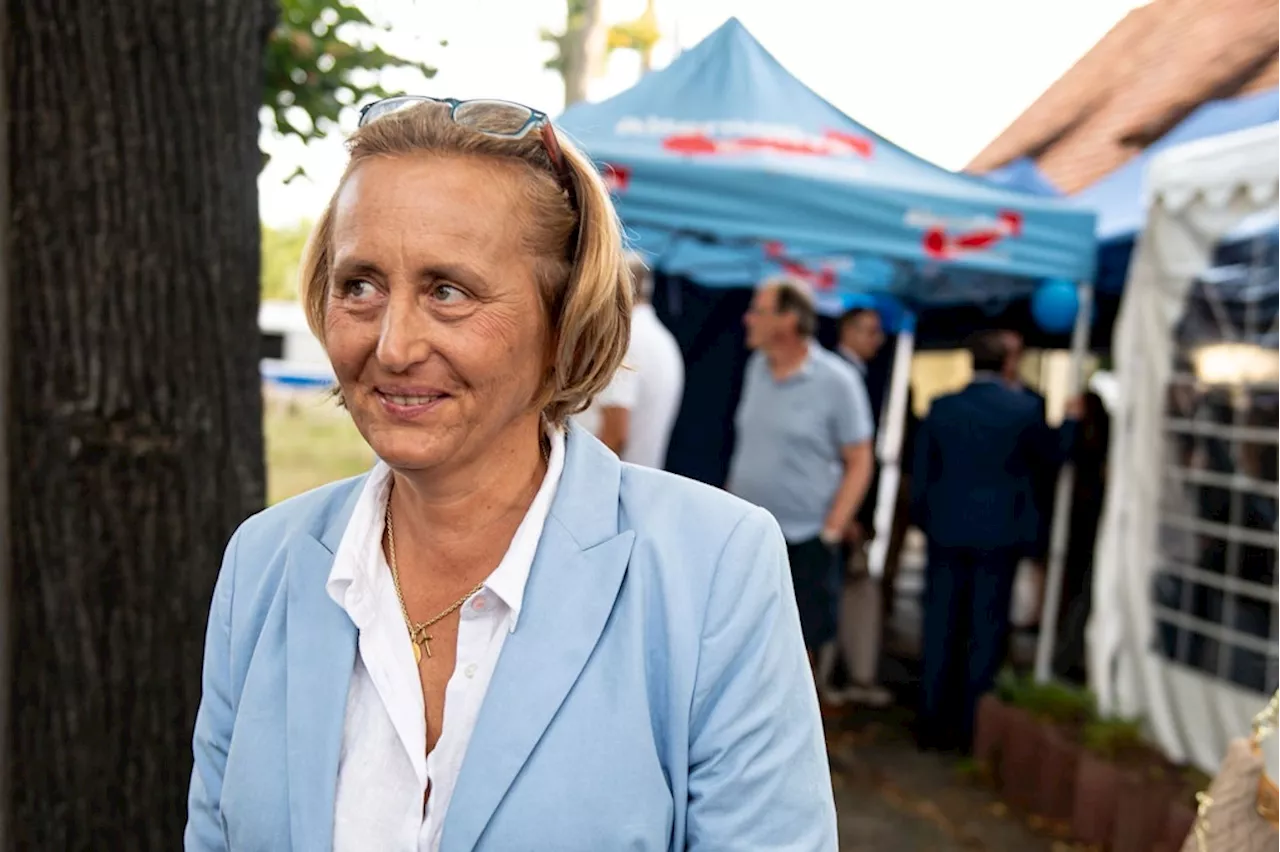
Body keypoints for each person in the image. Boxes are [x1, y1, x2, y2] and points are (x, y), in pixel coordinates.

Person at [185, 96, 837, 852]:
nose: (393, 346)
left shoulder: (712, 569)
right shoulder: (263, 564)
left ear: (564, 318)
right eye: (359, 284)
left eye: (447, 291)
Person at [911, 330, 1078, 752]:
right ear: (1007, 363)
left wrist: (925, 519)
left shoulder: (943, 407)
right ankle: (971, 728)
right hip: (999, 535)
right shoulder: (1024, 409)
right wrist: (1072, 423)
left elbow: (921, 473)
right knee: (985, 631)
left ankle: (929, 720)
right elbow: (1055, 457)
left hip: (946, 529)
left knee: (939, 624)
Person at [727, 277, 875, 676]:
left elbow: (860, 459)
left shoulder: (837, 380)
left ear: (787, 321)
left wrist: (832, 528)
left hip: (804, 539)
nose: (748, 318)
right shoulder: (757, 367)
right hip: (749, 534)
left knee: (796, 656)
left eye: (758, 310)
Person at [830, 306, 892, 707]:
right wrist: (846, 514)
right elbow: (849, 455)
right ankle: (835, 677)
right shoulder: (843, 377)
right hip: (837, 511)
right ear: (848, 332)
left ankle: (845, 674)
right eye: (870, 331)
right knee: (834, 593)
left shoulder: (850, 375)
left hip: (840, 510)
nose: (878, 340)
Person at [574, 251, 684, 469]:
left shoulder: (625, 340)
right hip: (639, 479)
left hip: (609, 484)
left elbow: (616, 433)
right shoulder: (663, 338)